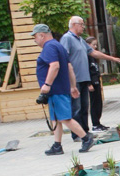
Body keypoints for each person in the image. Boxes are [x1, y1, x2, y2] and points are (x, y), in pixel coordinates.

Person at [32, 24, 94, 155]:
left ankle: (86, 138)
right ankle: (57, 145)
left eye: (35, 37)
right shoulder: (58, 45)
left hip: (55, 89)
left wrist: (47, 85)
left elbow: (55, 66)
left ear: (42, 35)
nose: (34, 40)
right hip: (60, 89)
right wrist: (72, 86)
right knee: (55, 119)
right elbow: (69, 67)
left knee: (65, 118)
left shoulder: (49, 47)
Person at [60, 16, 120, 138]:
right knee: (76, 108)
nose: (83, 27)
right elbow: (64, 58)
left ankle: (85, 132)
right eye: (82, 24)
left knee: (84, 108)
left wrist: (111, 58)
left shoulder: (80, 40)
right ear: (74, 24)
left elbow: (93, 52)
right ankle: (77, 135)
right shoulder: (67, 38)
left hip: (84, 79)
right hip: (75, 80)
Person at [86, 37, 106, 132]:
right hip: (92, 83)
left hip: (97, 81)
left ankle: (98, 122)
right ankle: (95, 124)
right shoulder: (86, 56)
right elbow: (86, 70)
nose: (95, 46)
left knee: (99, 103)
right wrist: (89, 84)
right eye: (93, 44)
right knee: (94, 103)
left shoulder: (93, 57)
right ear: (88, 45)